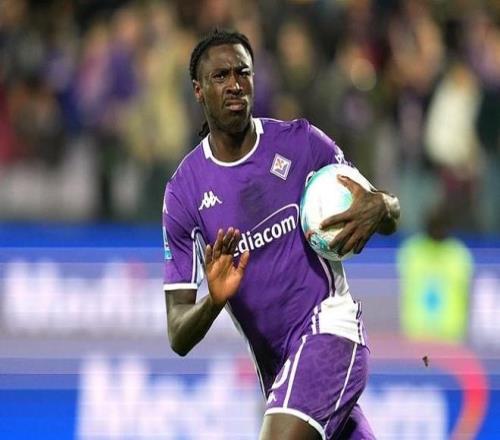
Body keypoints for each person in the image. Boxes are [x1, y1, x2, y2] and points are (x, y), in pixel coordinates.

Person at [162, 29, 400, 440]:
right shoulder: (184, 192)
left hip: (331, 331)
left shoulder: (302, 143)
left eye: (243, 72)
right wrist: (213, 301)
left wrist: (384, 206)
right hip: (280, 372)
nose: (235, 84)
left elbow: (380, 209)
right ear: (199, 90)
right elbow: (178, 335)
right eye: (220, 76)